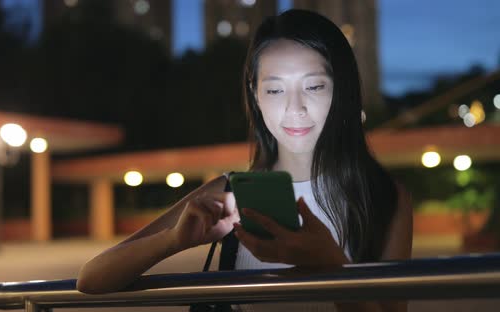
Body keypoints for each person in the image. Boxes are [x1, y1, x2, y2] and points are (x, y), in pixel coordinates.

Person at [77, 9, 412, 311]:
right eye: (275, 89)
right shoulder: (230, 193)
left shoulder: (382, 197)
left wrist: (331, 265)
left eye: (314, 86)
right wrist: (174, 240)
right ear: (255, 94)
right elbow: (91, 279)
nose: (295, 108)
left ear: (342, 90)